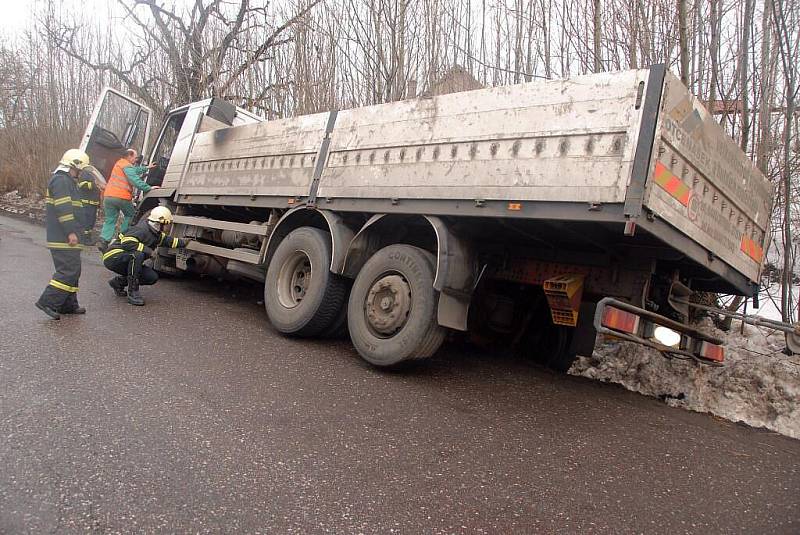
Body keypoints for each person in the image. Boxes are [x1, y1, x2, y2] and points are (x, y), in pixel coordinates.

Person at [35, 149, 91, 319]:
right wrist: (71, 232)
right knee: (68, 270)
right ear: (74, 165)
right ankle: (48, 302)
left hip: (67, 236)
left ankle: (68, 304)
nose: (81, 173)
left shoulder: (65, 181)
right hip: (64, 237)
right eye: (80, 170)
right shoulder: (61, 181)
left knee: (74, 270)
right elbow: (64, 209)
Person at [102, 206, 191, 306]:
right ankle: (133, 293)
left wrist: (183, 242)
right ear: (159, 224)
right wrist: (149, 251)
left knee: (151, 277)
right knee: (137, 255)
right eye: (167, 224)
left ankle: (118, 283)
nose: (169, 227)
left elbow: (169, 241)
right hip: (113, 257)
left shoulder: (156, 234)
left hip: (126, 258)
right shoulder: (141, 229)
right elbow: (127, 243)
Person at [98, 149, 156, 251]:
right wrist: (149, 188)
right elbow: (135, 180)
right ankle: (122, 237)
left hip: (108, 196)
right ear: (129, 156)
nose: (136, 159)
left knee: (110, 219)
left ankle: (104, 241)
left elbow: (134, 170)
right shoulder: (127, 166)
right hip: (121, 197)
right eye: (135, 157)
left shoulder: (120, 163)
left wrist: (147, 167)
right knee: (130, 215)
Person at [77, 169, 101, 244]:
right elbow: (82, 185)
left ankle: (87, 238)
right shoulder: (86, 173)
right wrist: (95, 184)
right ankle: (84, 239)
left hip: (92, 204)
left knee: (91, 222)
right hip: (86, 203)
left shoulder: (93, 175)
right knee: (86, 222)